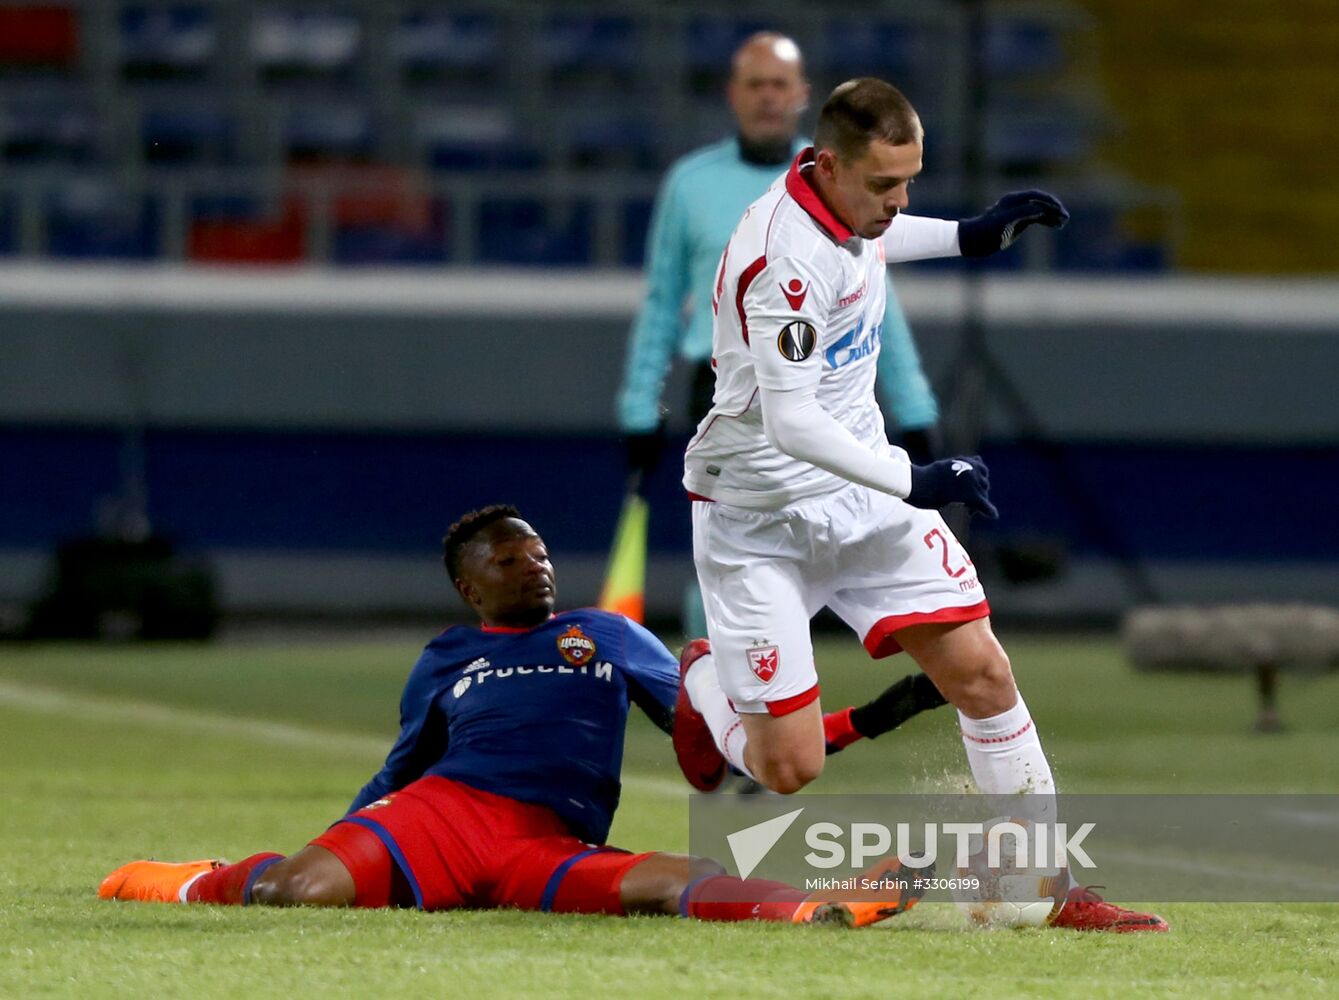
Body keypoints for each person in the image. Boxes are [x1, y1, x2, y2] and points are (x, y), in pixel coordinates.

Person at [676, 78, 1168, 932]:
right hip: (759, 518)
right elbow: (791, 421)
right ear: (829, 165)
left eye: (910, 181)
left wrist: (967, 236)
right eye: (884, 185)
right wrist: (917, 480)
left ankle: (1046, 889)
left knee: (980, 671)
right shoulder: (780, 261)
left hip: (858, 492)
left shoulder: (835, 203)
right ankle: (701, 681)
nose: (897, 201)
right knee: (787, 767)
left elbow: (867, 239)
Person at [98, 505, 933, 928]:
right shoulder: (448, 656)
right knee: (293, 892)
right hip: (443, 816)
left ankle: (817, 905)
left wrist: (874, 715)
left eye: (536, 551)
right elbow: (402, 770)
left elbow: (729, 737)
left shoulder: (606, 635)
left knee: (667, 883)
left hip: (545, 841)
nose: (533, 565)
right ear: (470, 586)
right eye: (508, 558)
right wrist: (349, 840)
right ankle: (200, 878)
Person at [617, 32, 939, 637]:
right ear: (732, 94)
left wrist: (914, 404)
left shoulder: (849, 177)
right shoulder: (689, 183)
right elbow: (662, 301)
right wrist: (640, 406)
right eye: (755, 84)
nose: (768, 97)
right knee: (731, 554)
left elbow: (878, 305)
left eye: (779, 84)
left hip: (831, 385)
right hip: (727, 390)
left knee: (835, 536)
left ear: (802, 95)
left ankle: (773, 685)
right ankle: (726, 679)